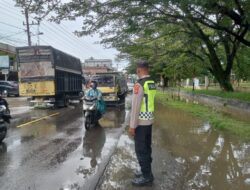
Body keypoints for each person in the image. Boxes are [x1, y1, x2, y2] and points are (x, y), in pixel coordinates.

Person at [129, 60, 156, 186]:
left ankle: (146, 177)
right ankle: (147, 172)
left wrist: (132, 126)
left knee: (141, 150)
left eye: (137, 69)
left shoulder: (139, 84)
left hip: (140, 123)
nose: (136, 71)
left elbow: (135, 107)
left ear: (139, 70)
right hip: (149, 121)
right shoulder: (151, 82)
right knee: (147, 147)